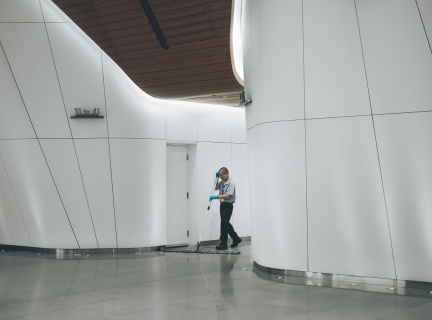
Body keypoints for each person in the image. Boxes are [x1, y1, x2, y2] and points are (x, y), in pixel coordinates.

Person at [209, 167, 242, 250]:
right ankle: (236, 238)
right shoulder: (222, 182)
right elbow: (216, 187)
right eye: (219, 176)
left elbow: (228, 195)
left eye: (221, 175)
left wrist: (216, 197)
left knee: (224, 223)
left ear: (226, 173)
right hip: (222, 205)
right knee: (226, 223)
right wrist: (216, 178)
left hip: (228, 205)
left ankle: (223, 244)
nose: (221, 177)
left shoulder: (231, 183)